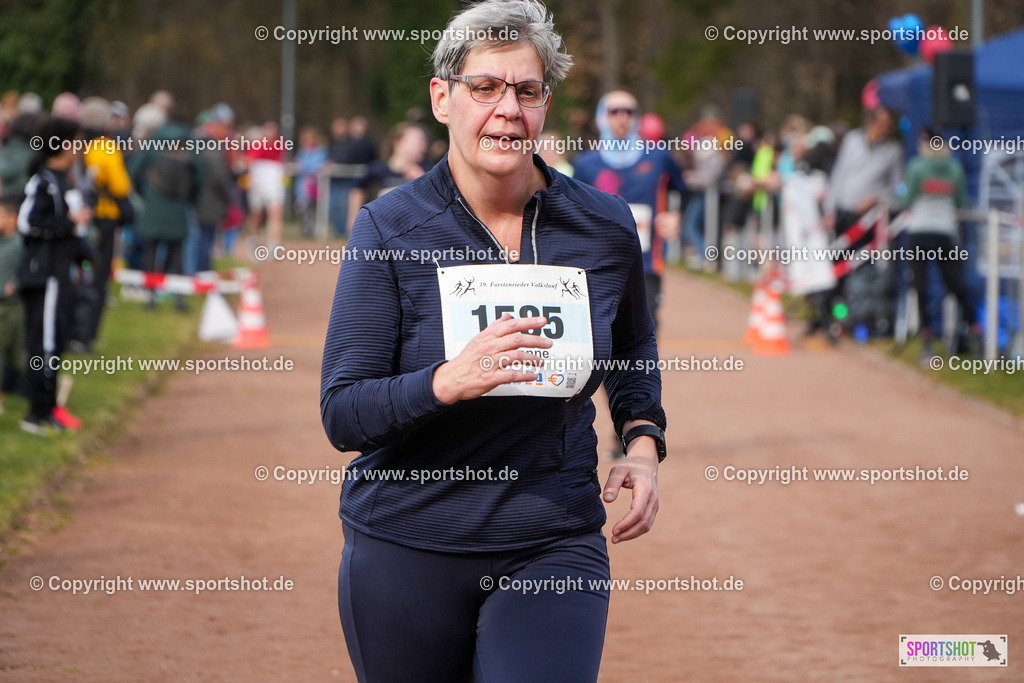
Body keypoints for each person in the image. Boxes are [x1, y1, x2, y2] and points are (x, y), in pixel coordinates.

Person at [320, 1, 666, 680]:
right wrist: (447, 380)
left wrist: (643, 441)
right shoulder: (388, 229)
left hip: (553, 538)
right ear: (443, 97)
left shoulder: (603, 225)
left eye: (526, 90)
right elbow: (343, 411)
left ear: (544, 104)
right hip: (407, 540)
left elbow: (632, 347)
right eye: (485, 87)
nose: (508, 109)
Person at [573, 90, 685, 330]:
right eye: (615, 111)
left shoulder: (658, 157)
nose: (622, 117)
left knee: (646, 327)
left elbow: (684, 190)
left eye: (629, 111)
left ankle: (643, 369)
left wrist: (676, 215)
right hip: (599, 262)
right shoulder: (586, 163)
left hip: (646, 262)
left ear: (637, 118)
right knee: (603, 330)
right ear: (602, 117)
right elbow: (572, 206)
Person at [17, 118, 90, 434]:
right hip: (43, 277)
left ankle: (50, 408)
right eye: (75, 142)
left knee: (56, 342)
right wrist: (69, 224)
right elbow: (27, 223)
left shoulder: (65, 180)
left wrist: (84, 249)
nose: (79, 149)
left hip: (60, 277)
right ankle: (36, 412)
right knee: (43, 344)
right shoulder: (43, 182)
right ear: (61, 144)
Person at [898, 127, 979, 362]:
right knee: (957, 286)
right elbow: (962, 201)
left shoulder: (916, 167)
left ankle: (927, 343)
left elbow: (906, 198)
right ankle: (976, 332)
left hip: (920, 233)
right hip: (946, 234)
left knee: (920, 287)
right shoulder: (954, 168)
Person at [129, 107, 200, 310]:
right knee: (177, 252)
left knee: (150, 250)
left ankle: (150, 297)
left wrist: (145, 192)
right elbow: (201, 175)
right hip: (178, 205)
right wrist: (188, 196)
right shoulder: (192, 142)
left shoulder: (154, 140)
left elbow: (133, 170)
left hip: (154, 203)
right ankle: (179, 298)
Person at [77, 97, 133, 351]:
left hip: (81, 217)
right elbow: (121, 186)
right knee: (98, 278)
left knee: (80, 274)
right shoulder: (106, 146)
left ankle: (73, 331)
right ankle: (86, 334)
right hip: (105, 217)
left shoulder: (77, 146)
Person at [349, 121, 428, 207]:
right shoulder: (378, 169)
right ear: (398, 142)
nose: (423, 146)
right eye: (418, 141)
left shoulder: (427, 170)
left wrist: (421, 180)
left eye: (424, 141)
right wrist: (354, 217)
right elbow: (357, 190)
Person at [243, 120, 285, 253]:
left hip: (273, 180)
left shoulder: (279, 145)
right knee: (257, 214)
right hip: (258, 180)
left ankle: (273, 243)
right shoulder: (257, 144)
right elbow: (249, 161)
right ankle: (254, 240)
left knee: (275, 212)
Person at [0, 192, 25, 415]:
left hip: (11, 306)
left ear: (13, 218)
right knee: (17, 356)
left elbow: (26, 271)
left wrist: (15, 285)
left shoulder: (19, 244)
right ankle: (47, 382)